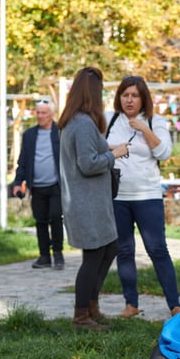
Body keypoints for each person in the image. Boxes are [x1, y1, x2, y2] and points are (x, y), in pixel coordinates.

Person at [57, 66, 130, 330]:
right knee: (94, 256)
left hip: (86, 201)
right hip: (87, 203)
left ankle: (91, 306)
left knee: (108, 249)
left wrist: (106, 148)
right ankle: (81, 315)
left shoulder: (73, 121)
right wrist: (116, 154)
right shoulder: (84, 123)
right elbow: (87, 164)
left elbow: (86, 152)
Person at [105, 76, 180, 318]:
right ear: (119, 97)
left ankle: (174, 305)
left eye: (134, 95)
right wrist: (111, 149)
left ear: (143, 98)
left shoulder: (156, 121)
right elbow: (96, 147)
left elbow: (164, 152)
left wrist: (144, 129)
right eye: (125, 95)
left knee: (157, 249)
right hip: (118, 197)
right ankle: (131, 304)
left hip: (147, 196)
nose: (129, 100)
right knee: (124, 250)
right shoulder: (109, 120)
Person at [12, 99, 64, 270]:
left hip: (56, 184)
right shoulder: (29, 135)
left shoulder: (60, 132)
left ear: (51, 114)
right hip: (37, 186)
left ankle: (58, 253)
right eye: (38, 112)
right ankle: (44, 256)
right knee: (40, 220)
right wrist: (18, 182)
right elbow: (23, 161)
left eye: (44, 113)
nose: (40, 116)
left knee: (56, 217)